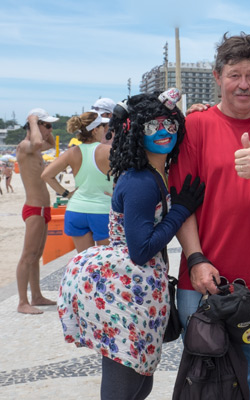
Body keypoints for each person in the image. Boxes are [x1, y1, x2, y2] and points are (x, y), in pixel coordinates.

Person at [168, 33, 250, 400]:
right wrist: (195, 259)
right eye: (235, 75)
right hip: (204, 279)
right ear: (217, 77)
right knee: (205, 379)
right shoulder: (195, 127)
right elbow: (181, 203)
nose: (244, 85)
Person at [57, 90, 204, 400]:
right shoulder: (140, 181)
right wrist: (180, 210)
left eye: (170, 124)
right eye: (152, 126)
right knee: (124, 385)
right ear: (135, 131)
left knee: (140, 383)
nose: (164, 132)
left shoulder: (153, 173)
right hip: (126, 294)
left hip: (137, 291)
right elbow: (141, 249)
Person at [41, 111, 113, 252]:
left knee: (85, 260)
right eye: (103, 126)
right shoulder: (108, 151)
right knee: (106, 260)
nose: (105, 130)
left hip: (76, 209)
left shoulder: (72, 152)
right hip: (102, 210)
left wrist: (67, 194)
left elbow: (46, 175)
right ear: (95, 130)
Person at [15, 108, 58, 314]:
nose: (50, 130)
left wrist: (44, 129)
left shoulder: (35, 148)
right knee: (28, 255)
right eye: (47, 125)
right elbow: (39, 143)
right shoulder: (26, 146)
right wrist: (33, 120)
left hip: (42, 209)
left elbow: (48, 143)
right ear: (35, 125)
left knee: (36, 255)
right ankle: (22, 302)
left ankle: (37, 296)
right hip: (33, 209)